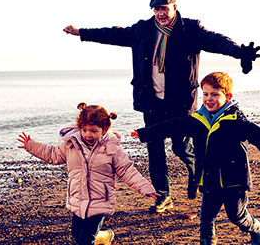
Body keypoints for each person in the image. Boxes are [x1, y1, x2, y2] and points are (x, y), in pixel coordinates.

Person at [63, 0, 260, 213]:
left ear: (174, 8)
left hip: (180, 103)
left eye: (164, 9)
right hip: (152, 102)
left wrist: (238, 51)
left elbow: (216, 41)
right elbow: (114, 34)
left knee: (182, 146)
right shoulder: (143, 30)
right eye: (157, 9)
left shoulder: (190, 30)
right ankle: (163, 196)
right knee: (155, 151)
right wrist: (82, 32)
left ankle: (197, 174)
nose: (160, 13)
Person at [131, 72, 260, 245]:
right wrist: (145, 133)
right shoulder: (197, 120)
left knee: (236, 216)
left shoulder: (235, 120)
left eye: (215, 94)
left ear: (228, 97)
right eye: (205, 94)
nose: (208, 99)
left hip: (233, 180)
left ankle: (255, 227)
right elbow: (173, 126)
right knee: (206, 220)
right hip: (209, 179)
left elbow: (257, 134)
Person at [17, 103, 160, 245]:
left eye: (93, 131)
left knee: (85, 240)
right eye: (84, 130)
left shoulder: (111, 149)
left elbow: (127, 170)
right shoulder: (71, 144)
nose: (87, 135)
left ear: (104, 130)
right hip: (78, 199)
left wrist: (145, 188)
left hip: (99, 201)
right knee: (76, 233)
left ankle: (95, 237)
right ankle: (103, 237)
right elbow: (53, 154)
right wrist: (31, 145)